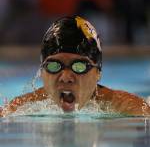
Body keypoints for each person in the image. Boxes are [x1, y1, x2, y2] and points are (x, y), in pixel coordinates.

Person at [1, 16, 150, 117]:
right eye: (54, 66)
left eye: (79, 66)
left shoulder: (127, 107)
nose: (66, 77)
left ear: (98, 73)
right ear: (42, 71)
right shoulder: (20, 108)